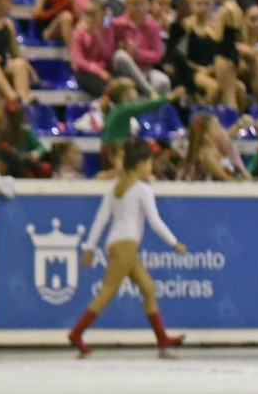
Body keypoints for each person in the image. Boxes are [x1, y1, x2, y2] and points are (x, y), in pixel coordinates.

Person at [66, 140, 187, 357]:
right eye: (149, 164)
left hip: (115, 243)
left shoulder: (114, 188)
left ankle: (162, 338)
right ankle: (77, 333)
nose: (150, 168)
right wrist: (174, 242)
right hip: (127, 245)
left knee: (148, 288)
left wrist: (91, 247)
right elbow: (155, 221)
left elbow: (101, 218)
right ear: (140, 164)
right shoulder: (142, 190)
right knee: (107, 291)